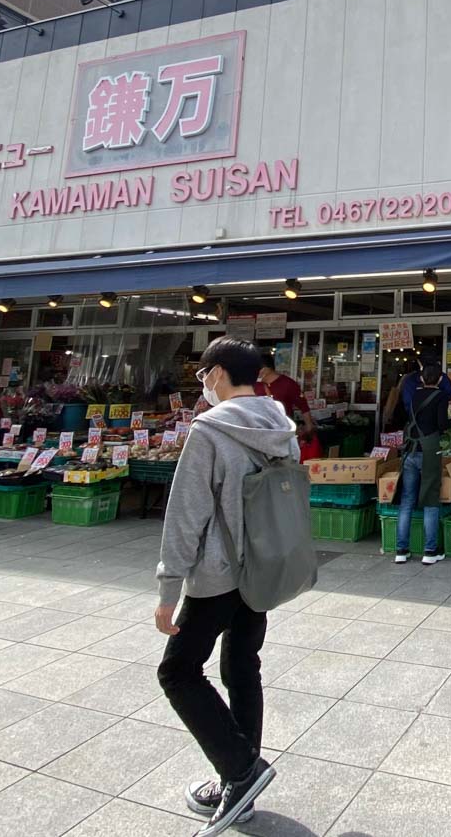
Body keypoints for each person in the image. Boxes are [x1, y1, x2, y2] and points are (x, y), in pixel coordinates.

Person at [155, 338, 299, 835]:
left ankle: (241, 771)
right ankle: (241, 786)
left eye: (203, 375)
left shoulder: (209, 431)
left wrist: (169, 586)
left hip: (217, 573)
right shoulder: (282, 426)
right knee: (242, 665)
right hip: (262, 568)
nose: (203, 384)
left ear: (216, 374)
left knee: (178, 672)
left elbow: (187, 512)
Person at [394, 361, 451, 565]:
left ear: (421, 378)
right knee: (431, 499)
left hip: (410, 451)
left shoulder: (413, 396)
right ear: (440, 379)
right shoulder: (441, 396)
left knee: (407, 499)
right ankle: (430, 551)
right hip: (428, 452)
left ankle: (401, 550)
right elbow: (441, 424)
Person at [254, 350, 318, 459]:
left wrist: (309, 426)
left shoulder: (288, 384)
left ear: (265, 369)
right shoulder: (253, 385)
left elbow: (303, 406)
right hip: (259, 431)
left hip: (283, 432)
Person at [383, 353, 451, 430]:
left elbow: (409, 406)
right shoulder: (442, 394)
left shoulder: (412, 385)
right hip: (428, 428)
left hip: (418, 428)